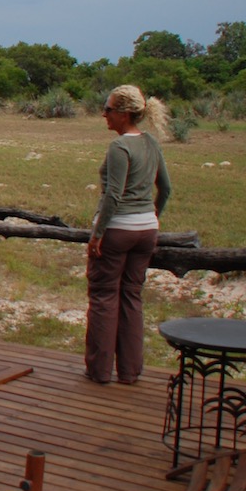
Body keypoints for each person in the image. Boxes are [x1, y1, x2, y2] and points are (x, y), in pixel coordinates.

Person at [84, 84, 172, 385]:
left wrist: (97, 235)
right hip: (146, 230)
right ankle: (130, 371)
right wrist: (152, 216)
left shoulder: (120, 147)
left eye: (108, 109)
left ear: (123, 113)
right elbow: (167, 189)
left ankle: (98, 371)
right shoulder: (150, 143)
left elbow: (113, 196)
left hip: (117, 230)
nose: (104, 114)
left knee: (104, 297)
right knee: (132, 296)